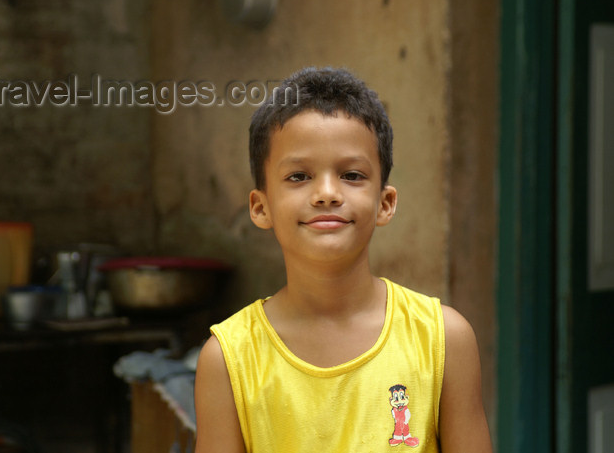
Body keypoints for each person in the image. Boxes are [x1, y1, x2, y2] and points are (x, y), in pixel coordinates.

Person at [194, 67, 492, 453]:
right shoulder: (228, 360)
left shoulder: (443, 341)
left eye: (351, 175)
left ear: (384, 203)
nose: (327, 193)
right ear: (260, 207)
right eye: (299, 176)